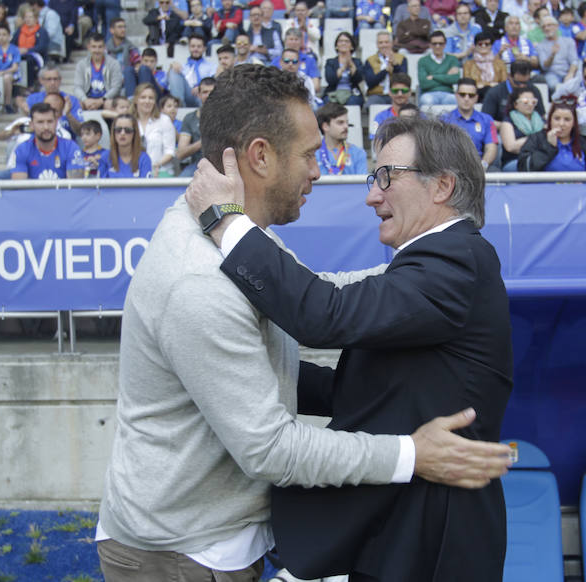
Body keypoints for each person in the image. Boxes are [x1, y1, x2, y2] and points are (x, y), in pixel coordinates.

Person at [97, 63, 512, 582]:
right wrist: (411, 454)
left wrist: (228, 226)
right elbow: (273, 442)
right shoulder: (201, 277)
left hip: (226, 545)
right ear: (261, 156)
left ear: (442, 186)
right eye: (310, 154)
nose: (325, 174)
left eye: (385, 177)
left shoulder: (242, 241)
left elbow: (323, 303)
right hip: (184, 555)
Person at [518, 98, 586, 170]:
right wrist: (549, 147)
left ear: (574, 123)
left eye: (567, 119)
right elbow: (524, 168)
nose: (561, 124)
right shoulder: (536, 139)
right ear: (550, 120)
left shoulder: (584, 143)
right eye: (557, 119)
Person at [10, 102, 85, 179]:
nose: (46, 127)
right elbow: (19, 188)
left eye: (50, 121)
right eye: (40, 122)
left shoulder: (70, 147)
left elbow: (76, 186)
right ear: (31, 125)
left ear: (56, 123)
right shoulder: (22, 150)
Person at [443, 78, 499, 171]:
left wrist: (483, 165)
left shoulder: (486, 120)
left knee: (495, 172)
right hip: (451, 168)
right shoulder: (444, 119)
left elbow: (491, 147)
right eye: (462, 94)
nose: (466, 98)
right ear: (456, 96)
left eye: (471, 95)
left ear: (476, 98)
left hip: (479, 167)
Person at [131, 82, 176, 176]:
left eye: (151, 98)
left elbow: (170, 151)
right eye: (143, 97)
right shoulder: (129, 121)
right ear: (135, 100)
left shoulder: (164, 120)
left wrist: (154, 166)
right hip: (134, 172)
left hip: (160, 171)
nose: (147, 101)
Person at [314, 102, 367, 175]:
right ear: (325, 126)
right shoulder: (313, 155)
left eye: (347, 123)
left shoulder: (358, 153)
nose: (346, 126)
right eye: (340, 123)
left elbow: (362, 185)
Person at [74, 33, 123, 111]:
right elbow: (77, 87)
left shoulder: (114, 63)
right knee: (77, 104)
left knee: (109, 104)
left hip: (106, 99)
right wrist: (85, 100)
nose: (97, 50)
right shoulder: (81, 65)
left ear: (104, 47)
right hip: (88, 99)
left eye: (100, 47)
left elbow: (116, 87)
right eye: (94, 47)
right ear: (89, 47)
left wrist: (101, 100)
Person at [177, 76, 215, 176]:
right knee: (181, 181)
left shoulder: (228, 116)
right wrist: (203, 141)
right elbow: (180, 153)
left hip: (223, 165)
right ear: (198, 94)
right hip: (197, 165)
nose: (208, 95)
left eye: (212, 92)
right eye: (205, 92)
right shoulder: (190, 118)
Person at [499, 87, 543, 171]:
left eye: (533, 102)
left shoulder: (541, 121)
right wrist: (535, 138)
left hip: (539, 159)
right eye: (525, 102)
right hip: (515, 160)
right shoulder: (508, 122)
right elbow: (511, 147)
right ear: (515, 104)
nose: (530, 105)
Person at [168, 35, 217, 107]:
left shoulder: (212, 66)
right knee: (173, 71)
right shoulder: (181, 66)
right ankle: (178, 106)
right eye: (193, 46)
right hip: (187, 95)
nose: (195, 49)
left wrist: (201, 88)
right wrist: (171, 67)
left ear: (204, 48)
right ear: (189, 47)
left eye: (199, 46)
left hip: (204, 95)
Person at [363, 31, 408, 106]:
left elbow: (404, 80)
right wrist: (385, 71)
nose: (384, 45)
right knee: (370, 104)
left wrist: (395, 65)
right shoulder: (370, 60)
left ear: (391, 43)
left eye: (386, 42)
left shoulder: (401, 58)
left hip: (397, 93)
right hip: (377, 94)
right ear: (377, 45)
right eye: (381, 43)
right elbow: (370, 82)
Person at [101, 113, 152, 178]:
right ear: (113, 133)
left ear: (134, 133)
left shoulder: (144, 158)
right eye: (118, 130)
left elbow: (146, 187)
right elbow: (100, 186)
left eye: (128, 130)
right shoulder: (105, 157)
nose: (122, 133)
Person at [418, 30, 462, 106]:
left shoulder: (452, 59)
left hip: (448, 93)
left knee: (453, 100)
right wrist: (446, 75)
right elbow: (424, 83)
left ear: (445, 44)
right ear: (430, 45)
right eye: (434, 44)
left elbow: (455, 79)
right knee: (427, 101)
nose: (437, 46)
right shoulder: (423, 61)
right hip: (429, 94)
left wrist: (433, 76)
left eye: (440, 43)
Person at [537, 15, 578, 92]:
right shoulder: (540, 45)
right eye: (544, 27)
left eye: (549, 25)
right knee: (553, 85)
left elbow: (574, 61)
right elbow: (544, 66)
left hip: (568, 72)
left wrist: (570, 74)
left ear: (556, 26)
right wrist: (552, 55)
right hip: (552, 74)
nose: (546, 28)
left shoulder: (568, 41)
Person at [323, 32, 364, 106]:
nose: (343, 43)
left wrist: (351, 64)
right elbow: (330, 80)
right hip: (333, 92)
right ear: (336, 46)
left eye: (347, 41)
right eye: (340, 41)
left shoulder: (357, 62)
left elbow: (359, 79)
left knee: (353, 102)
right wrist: (343, 67)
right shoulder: (330, 62)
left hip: (352, 93)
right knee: (329, 103)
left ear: (352, 46)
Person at [464, 32, 508, 100]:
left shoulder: (500, 63)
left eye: (487, 44)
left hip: (496, 93)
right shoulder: (468, 64)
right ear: (475, 46)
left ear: (491, 46)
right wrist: (490, 84)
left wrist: (483, 84)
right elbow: (467, 83)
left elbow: (504, 82)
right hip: (476, 94)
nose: (483, 46)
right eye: (480, 44)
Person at [0, 23, 21, 114]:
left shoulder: (14, 49)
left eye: (4, 34)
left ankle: (7, 104)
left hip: (10, 73)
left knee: (6, 78)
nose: (1, 37)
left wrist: (3, 72)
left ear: (9, 36)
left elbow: (14, 67)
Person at [12, 8, 49, 84]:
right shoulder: (20, 30)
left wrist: (27, 50)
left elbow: (41, 47)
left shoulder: (41, 31)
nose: (28, 19)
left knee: (29, 61)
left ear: (36, 19)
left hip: (35, 56)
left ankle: (30, 84)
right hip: (19, 54)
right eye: (26, 17)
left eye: (30, 17)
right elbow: (12, 43)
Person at [372, 73, 413, 138]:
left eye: (404, 91)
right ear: (389, 92)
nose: (400, 94)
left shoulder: (420, 117)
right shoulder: (380, 118)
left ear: (410, 92)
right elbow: (377, 143)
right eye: (395, 91)